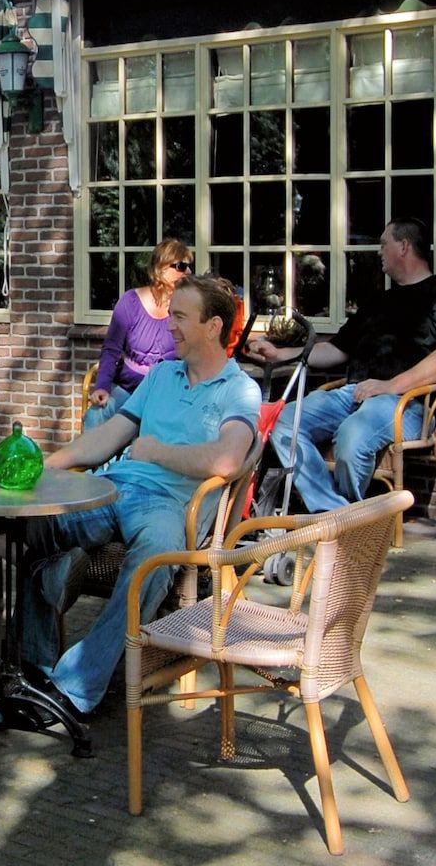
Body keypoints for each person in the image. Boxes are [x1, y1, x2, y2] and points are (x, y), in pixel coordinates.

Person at [21, 274, 262, 716]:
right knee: (32, 524)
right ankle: (32, 671)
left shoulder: (240, 389)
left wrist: (158, 451)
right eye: (171, 315)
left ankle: (73, 686)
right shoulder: (161, 376)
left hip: (171, 507)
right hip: (116, 487)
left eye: (181, 317)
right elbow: (110, 434)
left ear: (212, 326)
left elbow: (228, 460)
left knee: (152, 560)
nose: (169, 325)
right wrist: (45, 464)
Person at [243, 217, 436, 514]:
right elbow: (336, 350)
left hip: (406, 403)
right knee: (283, 420)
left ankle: (345, 518)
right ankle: (334, 512)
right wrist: (280, 353)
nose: (379, 252)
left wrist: (388, 386)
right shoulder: (379, 302)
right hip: (352, 394)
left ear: (403, 247)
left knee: (353, 434)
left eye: (383, 244)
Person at [83, 238, 193, 429]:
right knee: (95, 416)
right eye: (181, 266)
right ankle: (91, 459)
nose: (189, 272)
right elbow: (111, 349)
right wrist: (102, 386)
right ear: (161, 268)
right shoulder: (130, 302)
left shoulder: (186, 307)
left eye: (189, 266)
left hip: (166, 394)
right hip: (128, 389)